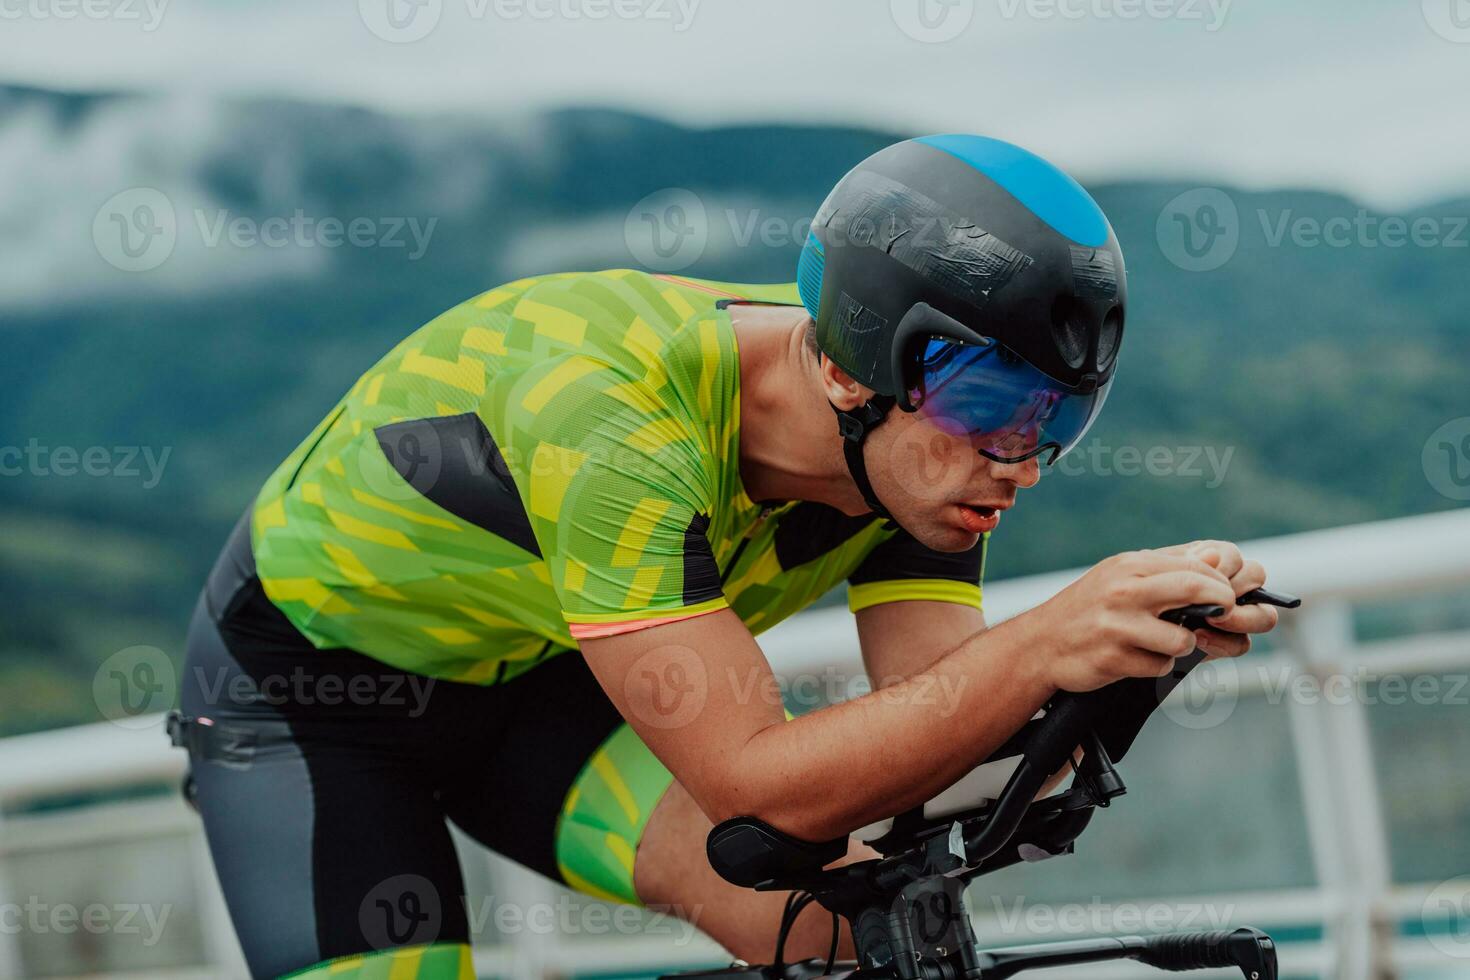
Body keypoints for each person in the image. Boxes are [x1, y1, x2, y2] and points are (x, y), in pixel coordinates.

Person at [171, 134, 1280, 979]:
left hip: (553, 668)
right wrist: (1043, 639)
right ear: (852, 373)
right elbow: (759, 787)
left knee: (841, 924)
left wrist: (1112, 670)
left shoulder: (922, 460)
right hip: (317, 701)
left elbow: (938, 736)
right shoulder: (615, 423)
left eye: (1056, 417)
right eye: (993, 405)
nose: (1022, 462)